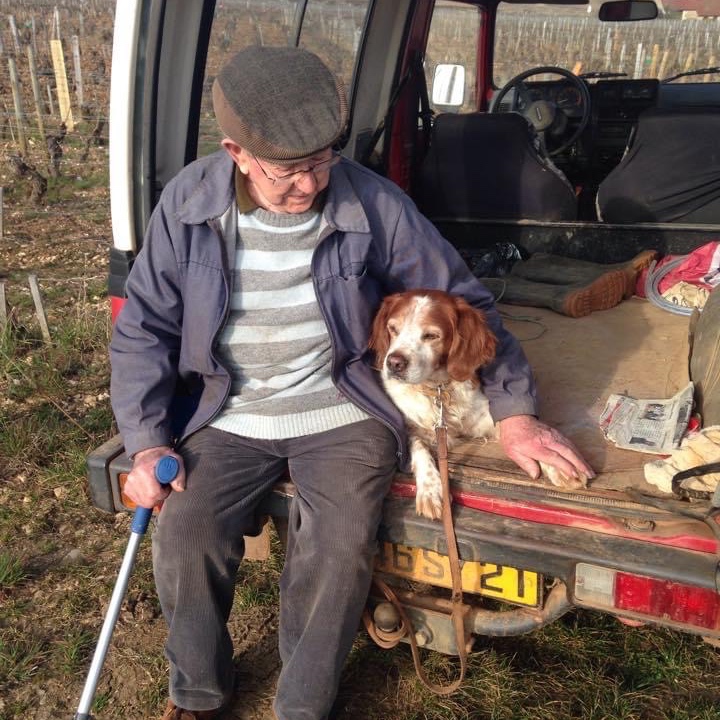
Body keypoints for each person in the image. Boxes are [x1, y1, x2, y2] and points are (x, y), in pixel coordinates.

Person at [110, 45, 595, 720]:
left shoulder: (373, 201)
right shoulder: (188, 207)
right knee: (185, 534)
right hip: (230, 411)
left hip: (343, 410)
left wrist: (514, 413)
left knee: (338, 550)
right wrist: (144, 443)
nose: (311, 184)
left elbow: (464, 300)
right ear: (237, 153)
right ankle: (197, 691)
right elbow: (144, 331)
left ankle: (303, 702)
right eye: (290, 171)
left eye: (322, 161)